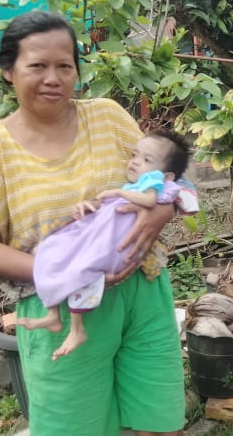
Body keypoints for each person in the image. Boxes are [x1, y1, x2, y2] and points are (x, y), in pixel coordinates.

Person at [0, 10, 201, 436]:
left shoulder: (107, 117)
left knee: (165, 432)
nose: (54, 77)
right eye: (38, 65)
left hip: (143, 296)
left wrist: (162, 212)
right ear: (8, 70)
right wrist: (68, 270)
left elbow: (161, 181)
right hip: (62, 311)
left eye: (65, 64)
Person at [17, 130, 195, 360]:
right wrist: (85, 207)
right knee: (49, 249)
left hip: (114, 246)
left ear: (167, 175)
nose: (134, 162)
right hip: (99, 237)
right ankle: (53, 314)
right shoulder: (138, 183)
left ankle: (77, 329)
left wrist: (118, 191)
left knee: (81, 269)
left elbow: (152, 200)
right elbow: (107, 206)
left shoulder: (153, 183)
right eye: (135, 155)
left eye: (146, 160)